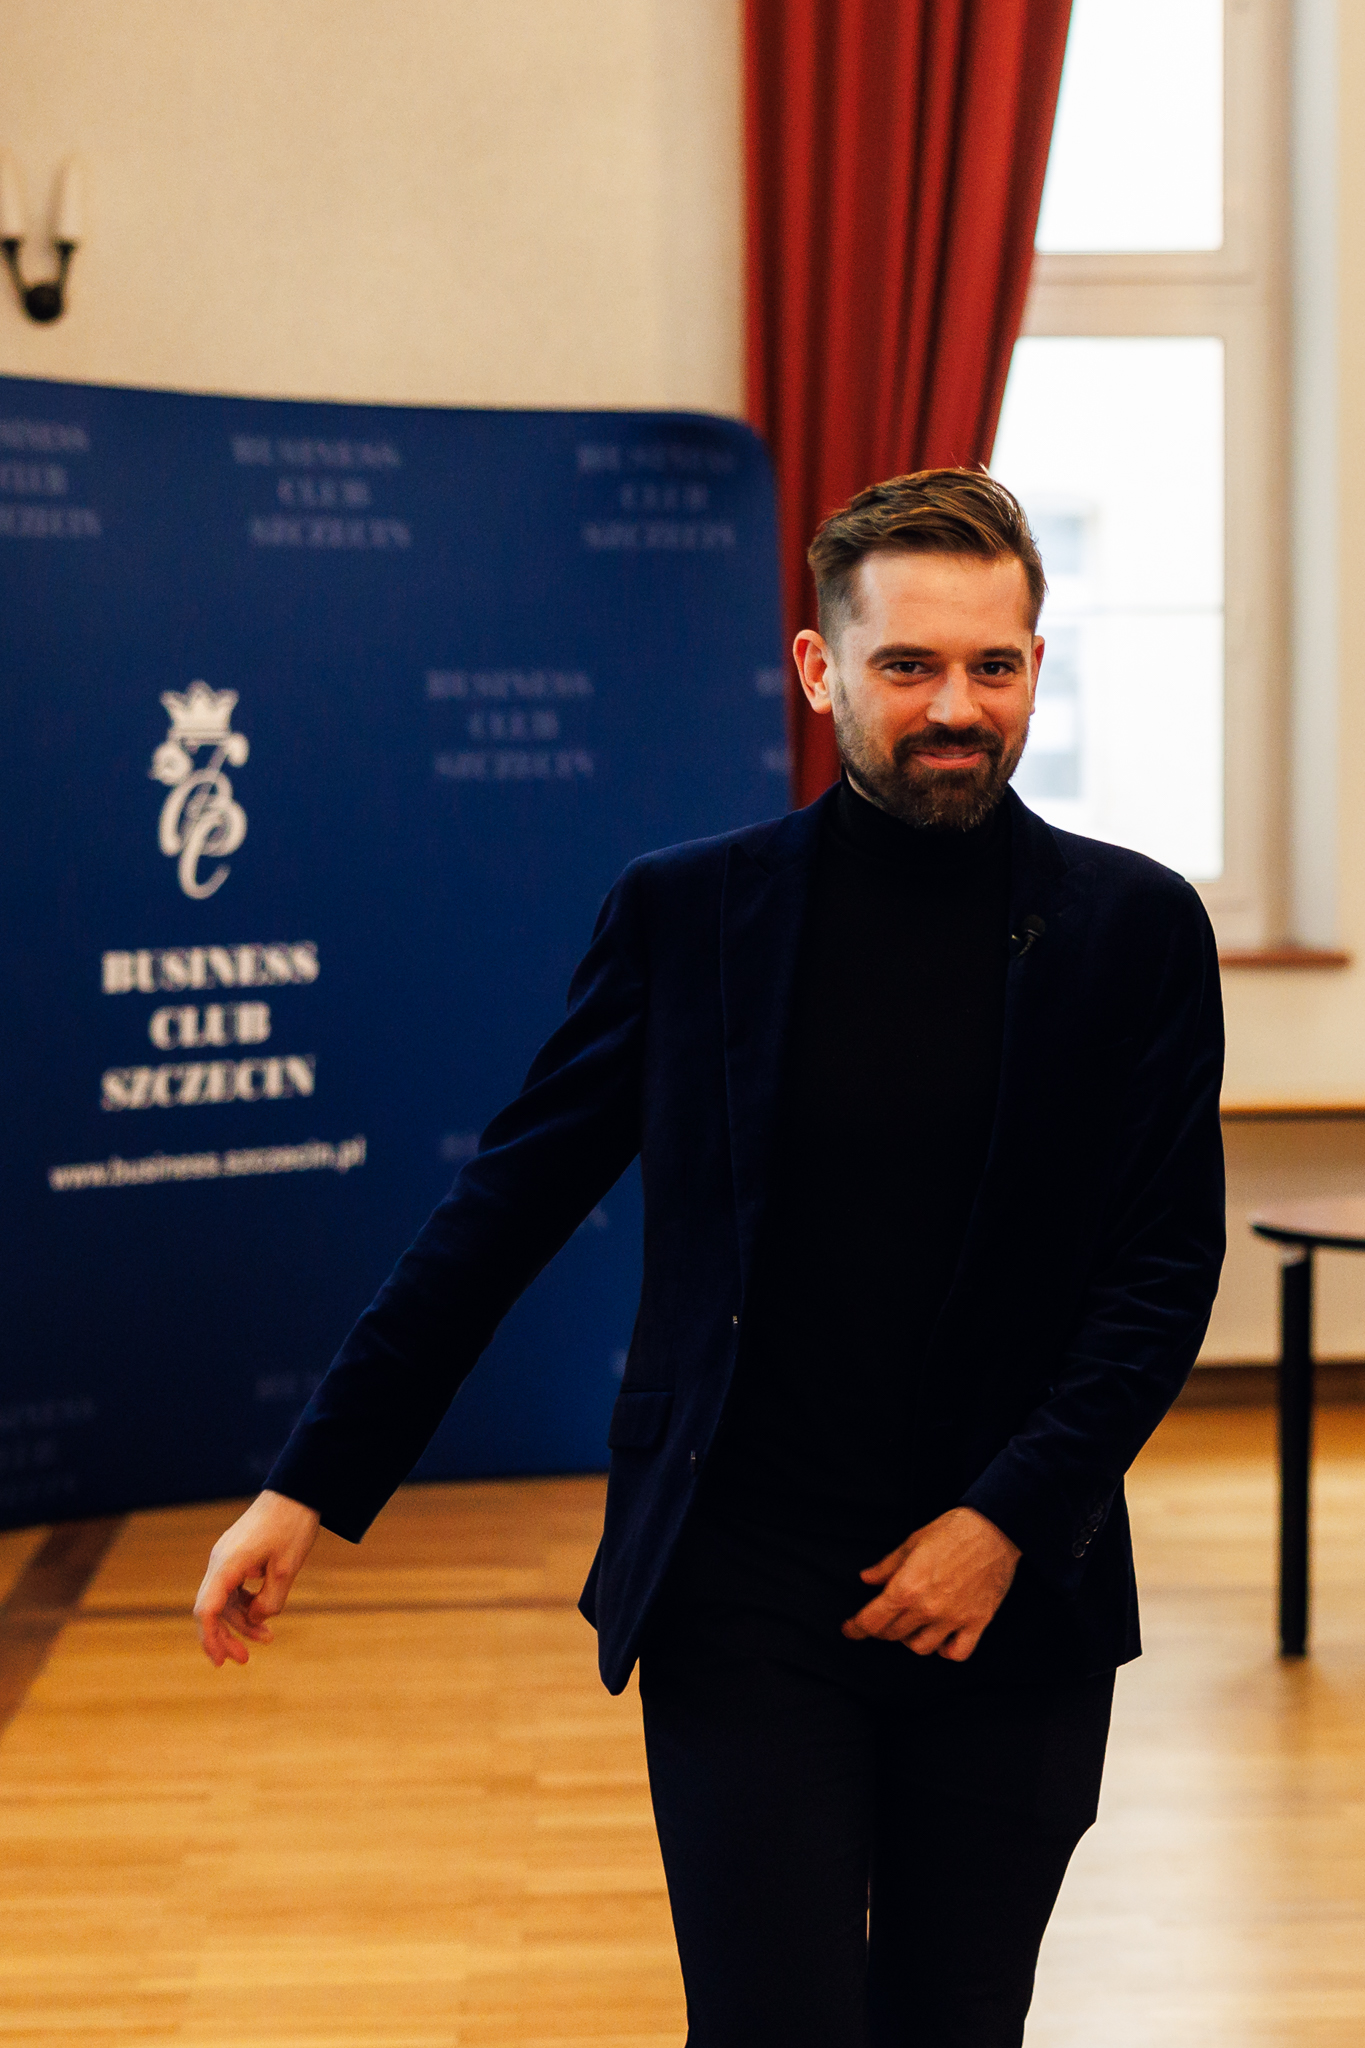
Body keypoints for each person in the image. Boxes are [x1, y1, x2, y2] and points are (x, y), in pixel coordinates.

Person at [195, 469, 1225, 2047]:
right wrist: (306, 1486)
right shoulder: (689, 916)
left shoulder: (1134, 929)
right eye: (907, 665)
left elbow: (1158, 1273)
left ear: (1034, 666)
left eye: (991, 666)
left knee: (954, 2022)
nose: (956, 707)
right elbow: (501, 1212)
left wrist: (1003, 1522)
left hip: (1010, 1589)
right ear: (820, 670)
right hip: (741, 1578)